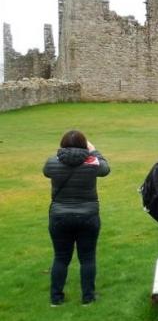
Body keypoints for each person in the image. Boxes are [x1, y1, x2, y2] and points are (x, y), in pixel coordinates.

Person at [43, 130, 110, 306]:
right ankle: (88, 297)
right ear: (84, 145)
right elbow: (105, 168)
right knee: (87, 257)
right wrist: (94, 150)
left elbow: (47, 171)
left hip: (59, 216)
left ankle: (56, 298)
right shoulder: (92, 162)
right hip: (88, 216)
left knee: (61, 257)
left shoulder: (52, 162)